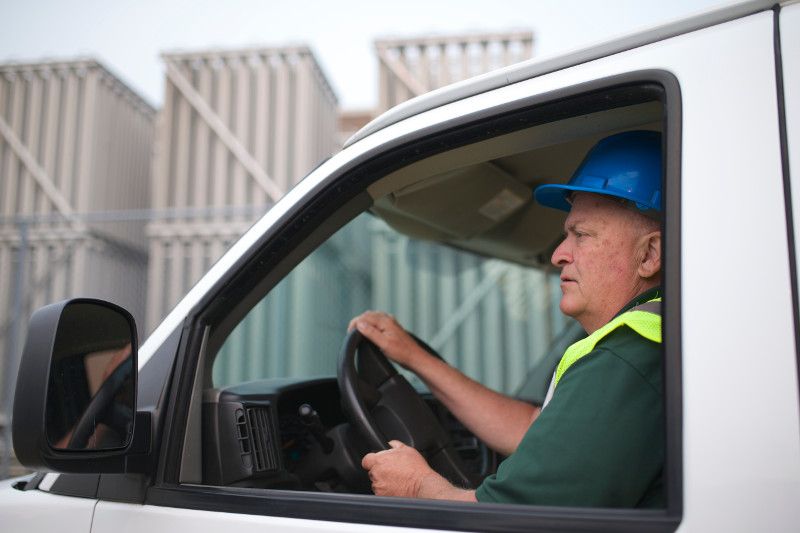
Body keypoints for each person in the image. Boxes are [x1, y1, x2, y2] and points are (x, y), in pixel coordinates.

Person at [351, 130, 665, 507]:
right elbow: (534, 428)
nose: (559, 255)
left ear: (649, 255)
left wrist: (418, 487)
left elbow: (512, 520)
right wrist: (414, 358)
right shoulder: (643, 343)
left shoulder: (626, 356)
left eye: (580, 235)